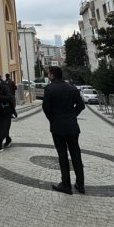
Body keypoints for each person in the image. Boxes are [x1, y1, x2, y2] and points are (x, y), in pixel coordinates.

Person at [43, 65, 85, 195]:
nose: (48, 75)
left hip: (58, 127)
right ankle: (80, 184)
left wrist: (54, 119)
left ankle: (66, 184)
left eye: (49, 73)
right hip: (72, 126)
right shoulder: (72, 88)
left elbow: (46, 108)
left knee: (62, 155)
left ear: (52, 75)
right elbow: (81, 105)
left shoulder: (50, 89)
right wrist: (72, 115)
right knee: (76, 155)